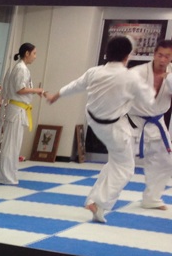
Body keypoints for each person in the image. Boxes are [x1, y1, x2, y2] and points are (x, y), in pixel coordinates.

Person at [47, 35, 153, 223]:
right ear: (127, 56)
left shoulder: (94, 72)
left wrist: (57, 95)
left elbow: (76, 85)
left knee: (115, 162)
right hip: (114, 127)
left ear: (107, 53)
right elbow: (149, 100)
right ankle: (99, 202)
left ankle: (94, 201)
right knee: (126, 168)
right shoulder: (130, 77)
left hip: (94, 121)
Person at [128, 39, 172, 210]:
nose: (162, 59)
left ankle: (152, 199)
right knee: (121, 163)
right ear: (154, 54)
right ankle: (98, 201)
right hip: (134, 122)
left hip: (157, 122)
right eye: (160, 55)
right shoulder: (137, 73)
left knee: (165, 161)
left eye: (167, 56)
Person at [0, 43, 47, 185]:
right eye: (34, 53)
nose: (35, 57)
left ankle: (9, 175)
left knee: (14, 145)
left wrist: (35, 91)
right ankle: (6, 177)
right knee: (11, 145)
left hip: (19, 109)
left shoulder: (21, 68)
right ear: (27, 53)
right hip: (16, 110)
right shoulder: (20, 68)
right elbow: (20, 89)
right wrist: (36, 90)